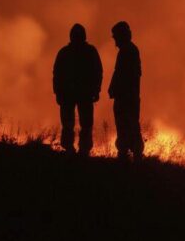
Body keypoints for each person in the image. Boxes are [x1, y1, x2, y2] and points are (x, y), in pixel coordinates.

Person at [53, 23, 102, 156]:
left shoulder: (65, 52)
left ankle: (73, 148)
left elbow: (57, 74)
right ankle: (80, 149)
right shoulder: (90, 51)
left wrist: (58, 92)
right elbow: (98, 72)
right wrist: (96, 90)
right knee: (80, 123)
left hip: (72, 94)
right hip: (81, 93)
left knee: (74, 123)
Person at [108, 20, 144, 161]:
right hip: (128, 97)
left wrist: (115, 89)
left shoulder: (128, 51)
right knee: (127, 125)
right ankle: (131, 154)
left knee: (128, 124)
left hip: (126, 98)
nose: (114, 39)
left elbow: (123, 75)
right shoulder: (128, 50)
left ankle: (131, 154)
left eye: (116, 36)